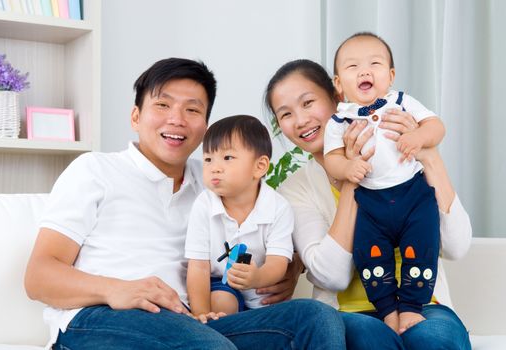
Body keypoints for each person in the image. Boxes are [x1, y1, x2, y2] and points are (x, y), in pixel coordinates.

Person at [23, 57, 346, 350]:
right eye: (162, 105)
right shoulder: (95, 170)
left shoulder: (216, 180)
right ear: (136, 116)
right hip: (101, 318)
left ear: (205, 126)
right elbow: (39, 277)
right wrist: (115, 290)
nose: (176, 119)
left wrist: (289, 269)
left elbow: (270, 220)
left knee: (316, 318)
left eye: (192, 110)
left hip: (193, 320)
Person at [264, 58, 472, 350]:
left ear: (338, 96)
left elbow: (457, 246)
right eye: (285, 114)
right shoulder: (295, 188)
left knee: (433, 340)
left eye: (308, 102)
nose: (300, 120)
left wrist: (428, 155)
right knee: (370, 340)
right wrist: (351, 174)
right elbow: (331, 275)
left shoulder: (402, 153)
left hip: (424, 305)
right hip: (348, 313)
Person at [324, 32, 445, 333]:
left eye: (374, 63)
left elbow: (436, 126)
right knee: (368, 253)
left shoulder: (402, 103)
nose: (364, 71)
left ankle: (412, 307)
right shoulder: (339, 121)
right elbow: (332, 159)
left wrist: (418, 136)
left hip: (413, 195)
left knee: (422, 246)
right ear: (339, 84)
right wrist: (348, 166)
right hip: (371, 202)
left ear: (390, 76)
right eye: (352, 67)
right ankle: (388, 309)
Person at [185, 115, 294, 322]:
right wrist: (200, 314)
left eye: (227, 158)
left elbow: (278, 262)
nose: (214, 167)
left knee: (283, 316)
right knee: (222, 301)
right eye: (208, 159)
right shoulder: (204, 204)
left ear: (259, 166)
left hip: (262, 291)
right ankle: (217, 330)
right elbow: (198, 266)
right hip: (221, 283)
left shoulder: (278, 207)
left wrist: (257, 278)